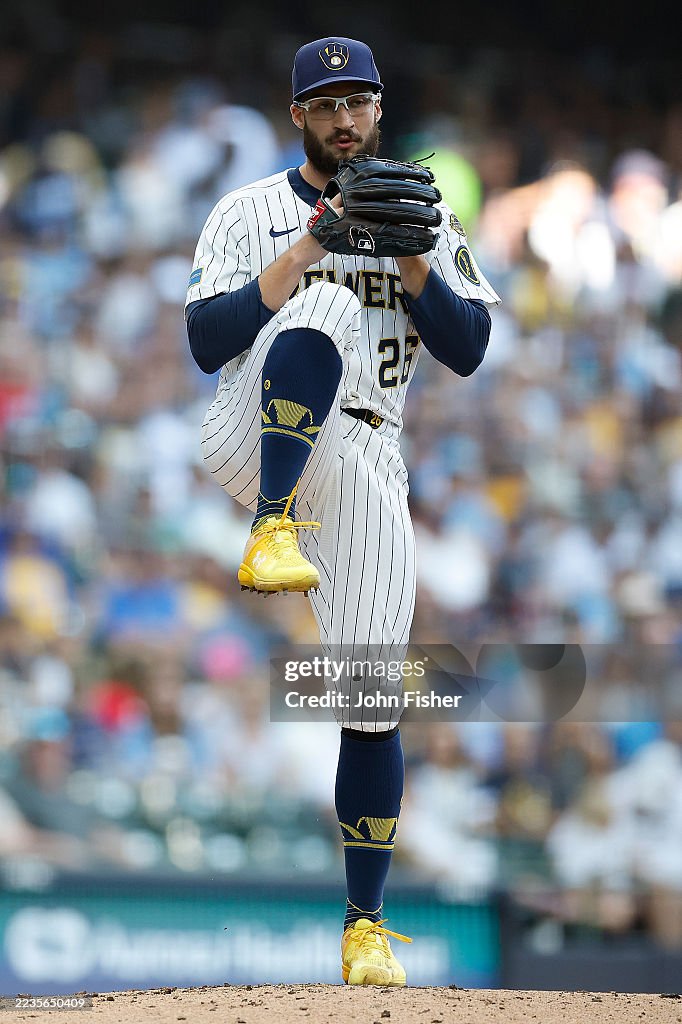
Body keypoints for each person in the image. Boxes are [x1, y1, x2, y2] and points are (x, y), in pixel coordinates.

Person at [185, 36, 500, 986]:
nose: (347, 117)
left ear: (378, 104)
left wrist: (412, 263)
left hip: (365, 453)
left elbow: (471, 345)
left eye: (358, 99)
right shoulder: (248, 210)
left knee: (372, 697)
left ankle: (364, 927)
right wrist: (313, 244)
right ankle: (270, 523)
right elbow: (205, 340)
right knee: (320, 311)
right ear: (298, 116)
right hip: (254, 428)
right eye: (326, 103)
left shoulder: (425, 213)